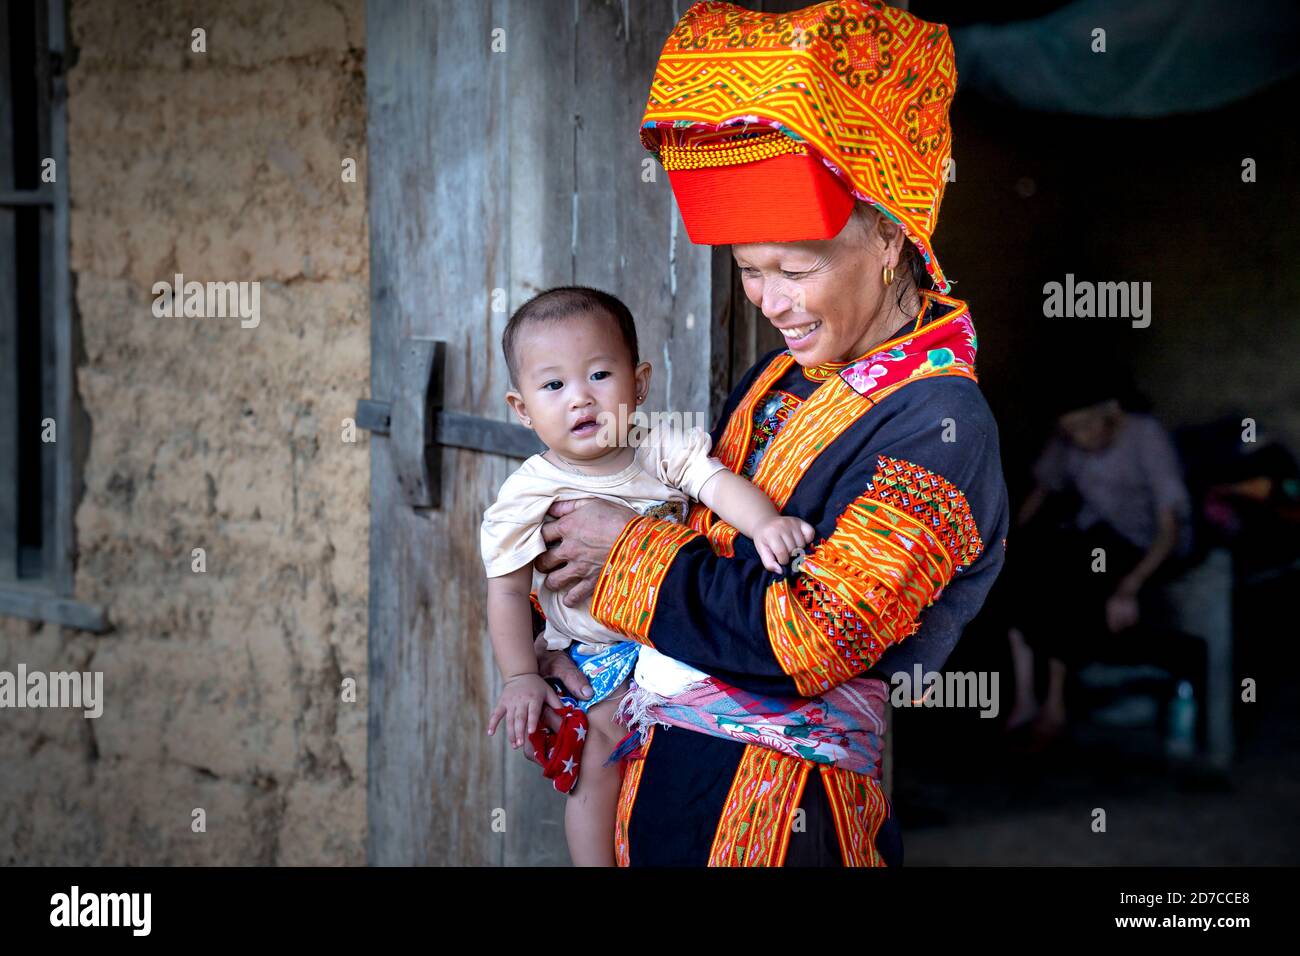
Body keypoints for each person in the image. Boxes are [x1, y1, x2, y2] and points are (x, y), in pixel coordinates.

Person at [520, 1, 1010, 866]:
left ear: (890, 239)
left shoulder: (942, 424)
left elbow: (811, 639)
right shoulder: (785, 377)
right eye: (749, 270)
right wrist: (566, 625)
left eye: (795, 268)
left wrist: (623, 556)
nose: (769, 302)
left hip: (787, 815)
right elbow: (701, 525)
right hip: (670, 773)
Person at [481, 286, 815, 866]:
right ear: (522, 408)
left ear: (639, 383)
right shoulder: (527, 494)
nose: (580, 399)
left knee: (689, 754)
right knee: (596, 755)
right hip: (595, 649)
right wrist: (517, 675)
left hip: (678, 636)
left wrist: (764, 525)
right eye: (553, 386)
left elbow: (713, 484)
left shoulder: (658, 445)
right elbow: (508, 591)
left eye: (600, 375)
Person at [1002, 380, 1194, 747]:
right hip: (1100, 536)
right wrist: (1009, 543)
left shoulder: (1144, 435)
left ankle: (1056, 703)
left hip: (1148, 544)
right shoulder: (1069, 440)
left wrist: (1130, 586)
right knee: (1023, 570)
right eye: (1071, 430)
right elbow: (1043, 487)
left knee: (1072, 582)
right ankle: (1026, 698)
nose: (1080, 437)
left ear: (1113, 416)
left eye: (1087, 426)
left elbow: (1171, 528)